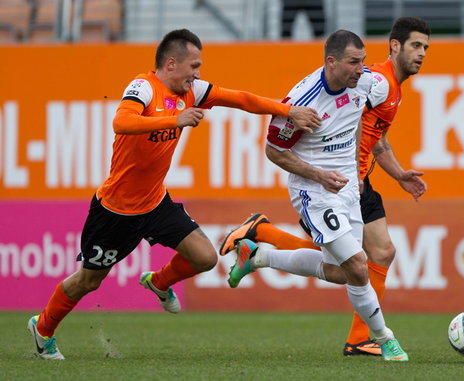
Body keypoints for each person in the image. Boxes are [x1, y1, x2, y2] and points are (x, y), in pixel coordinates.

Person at [27, 28, 321, 360]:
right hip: (116, 210)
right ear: (171, 64)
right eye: (193, 66)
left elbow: (241, 99)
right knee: (88, 281)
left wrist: (285, 111)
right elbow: (121, 122)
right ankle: (43, 327)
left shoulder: (193, 91)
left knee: (205, 258)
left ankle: (159, 282)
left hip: (155, 203)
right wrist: (175, 118)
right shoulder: (143, 87)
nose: (198, 74)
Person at [220, 17, 431, 357]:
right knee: (360, 265)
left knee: (339, 272)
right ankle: (383, 339)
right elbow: (273, 151)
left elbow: (367, 124)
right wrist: (318, 175)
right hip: (314, 192)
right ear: (331, 62)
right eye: (353, 62)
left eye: (363, 61)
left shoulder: (370, 84)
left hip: (349, 187)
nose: (362, 69)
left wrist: (364, 170)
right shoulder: (303, 103)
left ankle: (258, 255)